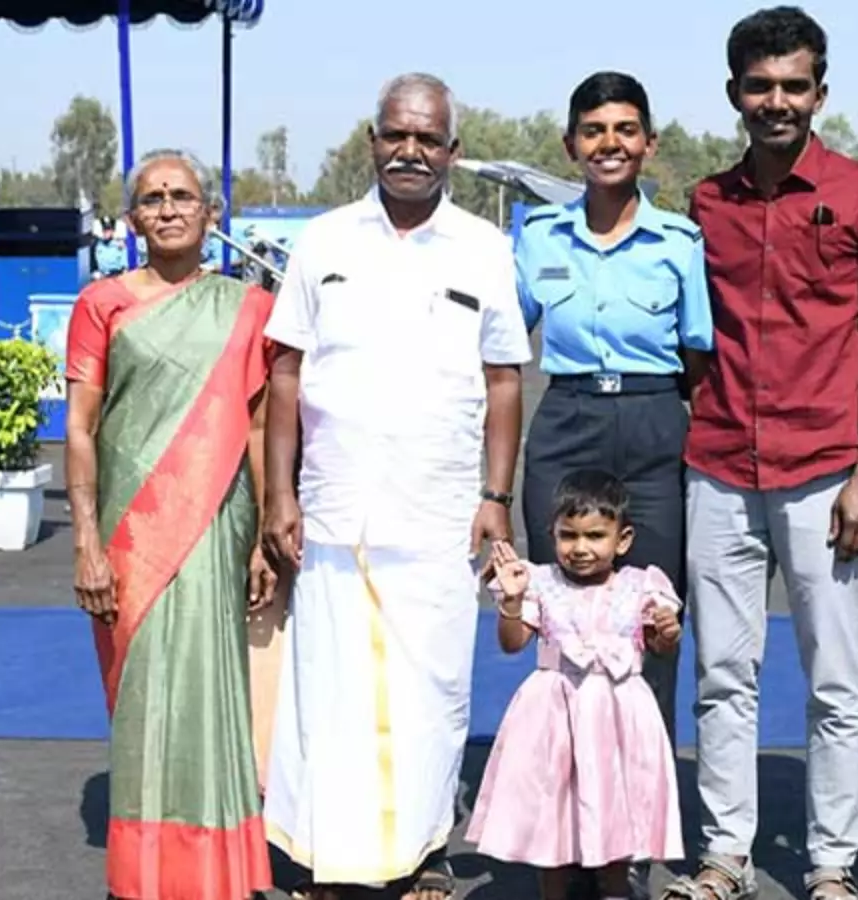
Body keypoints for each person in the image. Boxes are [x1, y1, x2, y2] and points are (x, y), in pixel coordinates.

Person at [259, 72, 532, 900]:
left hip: (439, 510)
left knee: (431, 690)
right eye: (396, 135)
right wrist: (278, 495)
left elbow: (505, 380)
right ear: (371, 140)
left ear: (452, 150)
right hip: (335, 504)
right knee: (330, 689)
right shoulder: (323, 242)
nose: (410, 151)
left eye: (427, 138)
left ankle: (422, 850)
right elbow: (284, 372)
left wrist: (496, 496)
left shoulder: (483, 248)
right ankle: (322, 857)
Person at [665, 8, 858, 900]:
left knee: (835, 684)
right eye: (760, 86)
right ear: (735, 93)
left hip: (828, 474)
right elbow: (693, 334)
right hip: (720, 467)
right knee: (721, 676)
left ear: (820, 93)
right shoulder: (706, 203)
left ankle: (830, 865)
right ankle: (724, 856)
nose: (777, 101)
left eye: (794, 86)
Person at [64, 148, 279, 900]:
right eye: (152, 198)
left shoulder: (249, 308)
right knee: (145, 697)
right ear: (132, 219)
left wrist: (262, 535)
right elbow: (81, 427)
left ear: (210, 213)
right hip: (131, 532)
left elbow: (260, 425)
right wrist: (85, 543)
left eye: (182, 196)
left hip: (218, 524)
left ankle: (216, 871)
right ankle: (145, 874)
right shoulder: (102, 304)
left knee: (211, 693)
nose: (168, 209)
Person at [514, 68, 712, 779]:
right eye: (594, 131)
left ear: (649, 144)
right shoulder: (539, 238)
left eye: (626, 130)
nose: (610, 143)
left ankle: (641, 797)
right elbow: (501, 342)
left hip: (654, 424)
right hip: (567, 421)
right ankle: (563, 790)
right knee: (561, 610)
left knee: (650, 617)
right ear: (570, 145)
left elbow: (698, 357)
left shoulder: (679, 242)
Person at [466, 470, 685, 900]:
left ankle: (617, 889)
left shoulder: (642, 585)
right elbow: (512, 643)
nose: (580, 548)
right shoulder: (540, 582)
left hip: (619, 715)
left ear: (622, 540)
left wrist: (668, 632)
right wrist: (512, 601)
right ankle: (553, 892)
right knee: (553, 809)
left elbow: (660, 646)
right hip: (554, 713)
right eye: (568, 535)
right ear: (553, 534)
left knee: (618, 805)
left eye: (595, 536)